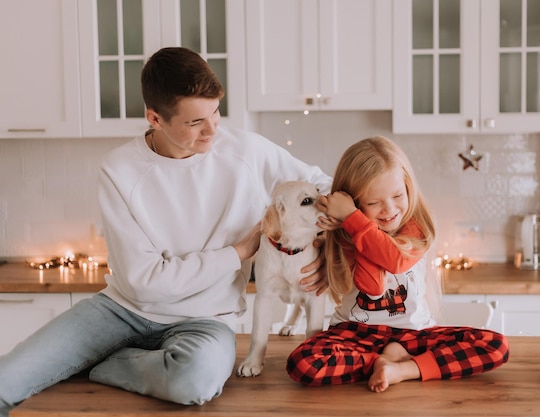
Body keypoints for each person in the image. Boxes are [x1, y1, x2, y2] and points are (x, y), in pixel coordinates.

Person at [0, 47, 332, 415]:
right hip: (121, 309)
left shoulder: (248, 150)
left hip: (207, 319)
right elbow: (144, 283)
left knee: (194, 382)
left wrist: (323, 251)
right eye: (194, 123)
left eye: (216, 113)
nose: (212, 130)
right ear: (155, 119)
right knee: (7, 380)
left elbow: (324, 187)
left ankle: (102, 363)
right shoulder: (119, 170)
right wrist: (236, 253)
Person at [287, 136, 509, 392]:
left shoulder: (418, 228)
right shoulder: (346, 233)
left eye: (397, 195)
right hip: (355, 332)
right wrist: (351, 228)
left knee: (495, 345)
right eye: (373, 203)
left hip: (415, 334)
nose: (389, 209)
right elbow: (372, 287)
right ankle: (382, 362)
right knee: (303, 363)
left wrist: (355, 220)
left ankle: (403, 369)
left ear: (408, 187)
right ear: (356, 203)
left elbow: (395, 260)